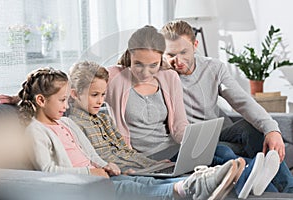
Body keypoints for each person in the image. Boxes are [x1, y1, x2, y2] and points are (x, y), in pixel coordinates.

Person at [17, 66, 243, 200]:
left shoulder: (65, 123)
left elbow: (87, 152)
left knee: (141, 181)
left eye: (66, 99)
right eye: (62, 100)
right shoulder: (36, 131)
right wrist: (91, 172)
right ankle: (194, 187)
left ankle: (203, 181)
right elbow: (47, 171)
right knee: (132, 187)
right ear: (40, 100)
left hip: (99, 176)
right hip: (81, 184)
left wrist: (103, 165)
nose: (66, 105)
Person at [68, 60, 280, 199]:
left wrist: (156, 164)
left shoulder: (102, 117)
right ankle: (253, 181)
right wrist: (138, 166)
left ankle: (256, 180)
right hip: (132, 169)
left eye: (102, 95)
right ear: (74, 93)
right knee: (205, 173)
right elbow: (96, 159)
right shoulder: (73, 123)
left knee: (221, 152)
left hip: (147, 163)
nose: (100, 100)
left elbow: (124, 150)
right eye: (94, 95)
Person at [160, 20, 293, 193]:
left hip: (218, 132)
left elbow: (242, 101)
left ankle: (288, 190)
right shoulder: (160, 76)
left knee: (255, 129)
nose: (178, 61)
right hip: (189, 142)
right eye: (170, 55)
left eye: (183, 52)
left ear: (195, 45)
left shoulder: (213, 68)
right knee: (225, 153)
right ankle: (262, 183)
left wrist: (272, 130)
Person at [106, 25, 188, 161]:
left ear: (161, 59)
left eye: (153, 65)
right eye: (138, 64)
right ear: (129, 56)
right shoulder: (114, 76)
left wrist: (191, 143)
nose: (145, 73)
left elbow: (180, 124)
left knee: (223, 152)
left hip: (172, 151)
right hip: (141, 159)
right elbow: (75, 86)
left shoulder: (169, 77)